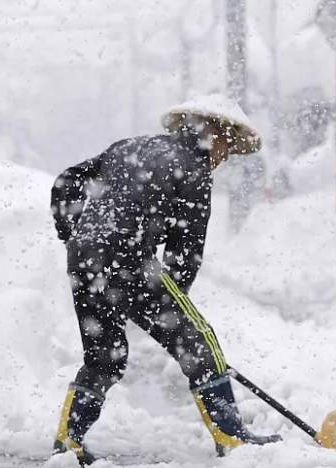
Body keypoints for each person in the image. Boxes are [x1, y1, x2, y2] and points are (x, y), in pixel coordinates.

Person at [49, 95, 281, 465]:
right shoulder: (193, 169)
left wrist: (75, 236)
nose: (224, 158)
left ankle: (68, 437)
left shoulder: (129, 147)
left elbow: (66, 182)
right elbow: (185, 255)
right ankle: (231, 435)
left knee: (105, 356)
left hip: (84, 259)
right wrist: (172, 313)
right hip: (129, 260)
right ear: (215, 134)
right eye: (227, 148)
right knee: (201, 342)